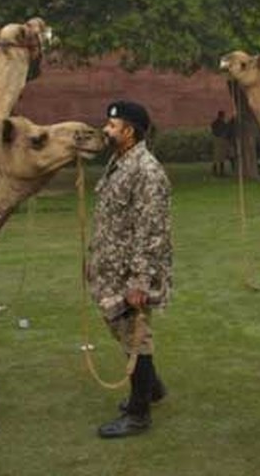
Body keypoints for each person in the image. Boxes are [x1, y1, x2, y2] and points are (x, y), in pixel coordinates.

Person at [89, 100, 174, 439]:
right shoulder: (119, 162)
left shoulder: (147, 172)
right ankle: (152, 389)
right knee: (120, 330)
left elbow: (152, 231)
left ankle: (139, 414)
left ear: (130, 131)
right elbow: (112, 219)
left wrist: (139, 281)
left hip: (132, 273)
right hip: (112, 267)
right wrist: (94, 259)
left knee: (135, 336)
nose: (106, 130)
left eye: (113, 125)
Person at [210, 110, 233, 176]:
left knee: (219, 157)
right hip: (220, 140)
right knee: (219, 157)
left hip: (219, 140)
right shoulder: (219, 123)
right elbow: (222, 131)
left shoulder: (218, 123)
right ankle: (219, 171)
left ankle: (218, 171)